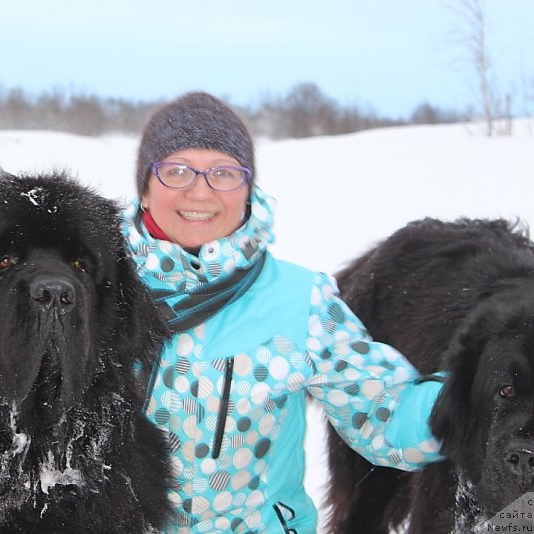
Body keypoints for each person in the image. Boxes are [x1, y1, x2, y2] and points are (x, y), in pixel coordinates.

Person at [121, 92, 444, 533]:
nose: (200, 190)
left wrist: (477, 397)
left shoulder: (301, 300)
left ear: (248, 190)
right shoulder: (93, 288)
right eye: (176, 171)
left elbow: (386, 417)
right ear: (144, 189)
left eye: (223, 173)